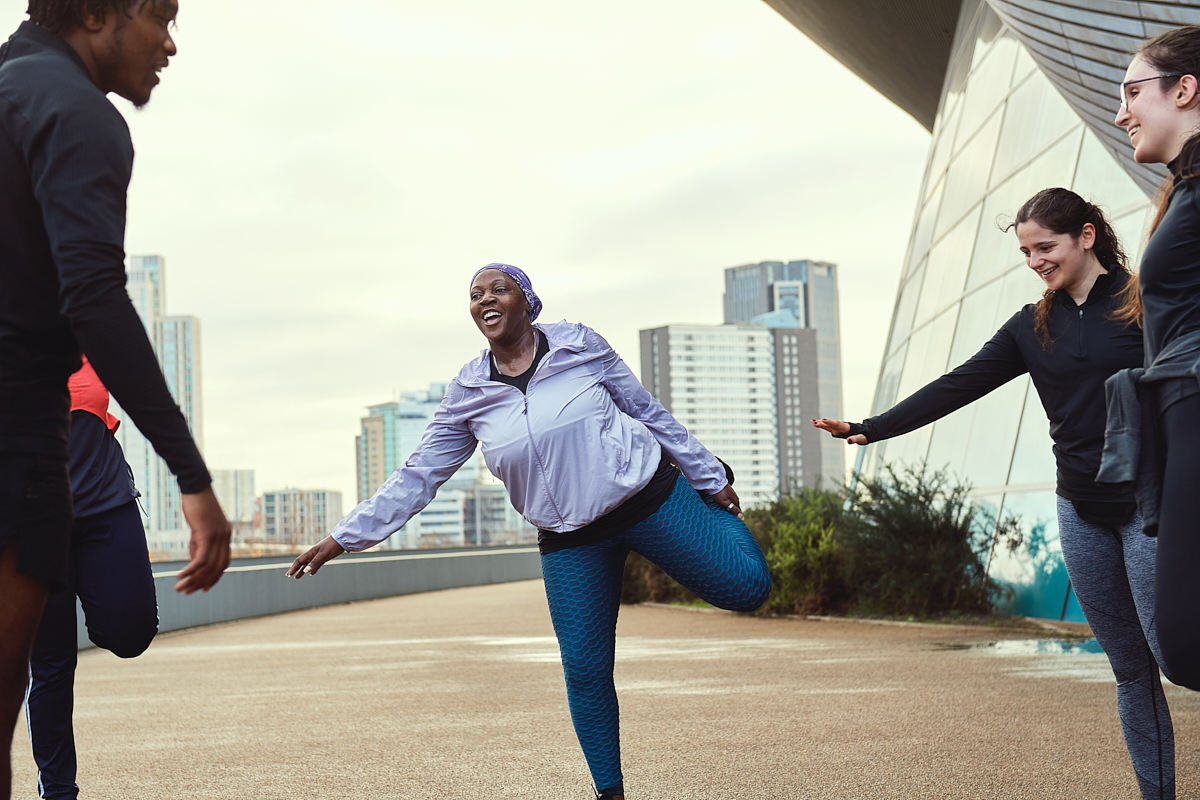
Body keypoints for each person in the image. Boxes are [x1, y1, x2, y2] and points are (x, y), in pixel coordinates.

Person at [289, 263, 771, 800]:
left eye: (499, 289)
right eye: (475, 295)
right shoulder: (469, 392)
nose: (486, 300)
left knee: (748, 588)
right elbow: (417, 476)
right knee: (585, 672)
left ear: (527, 301)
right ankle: (610, 793)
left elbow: (645, 411)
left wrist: (708, 475)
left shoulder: (580, 346)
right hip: (569, 540)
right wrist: (343, 537)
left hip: (648, 498)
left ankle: (708, 495)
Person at [813, 189, 1176, 800]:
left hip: (1151, 507)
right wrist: (871, 427)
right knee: (1130, 670)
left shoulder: (1147, 304)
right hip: (1081, 509)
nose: (1035, 261)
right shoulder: (1032, 327)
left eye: (1046, 247)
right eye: (1026, 251)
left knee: (1174, 653)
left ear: (1087, 237)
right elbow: (958, 385)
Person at [0, 3, 231, 797]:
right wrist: (193, 479)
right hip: (17, 441)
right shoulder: (75, 112)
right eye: (159, 15)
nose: (170, 41)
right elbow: (95, 295)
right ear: (97, 12)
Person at [1108, 25, 1200, 692]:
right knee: (1186, 643)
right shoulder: (1184, 194)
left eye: (1134, 92)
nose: (1121, 112)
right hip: (1179, 416)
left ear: (1186, 89)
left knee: (1188, 639)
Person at [25, 357, 159, 800]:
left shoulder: (87, 334)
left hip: (106, 503)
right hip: (36, 520)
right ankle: (59, 792)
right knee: (50, 663)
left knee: (131, 632)